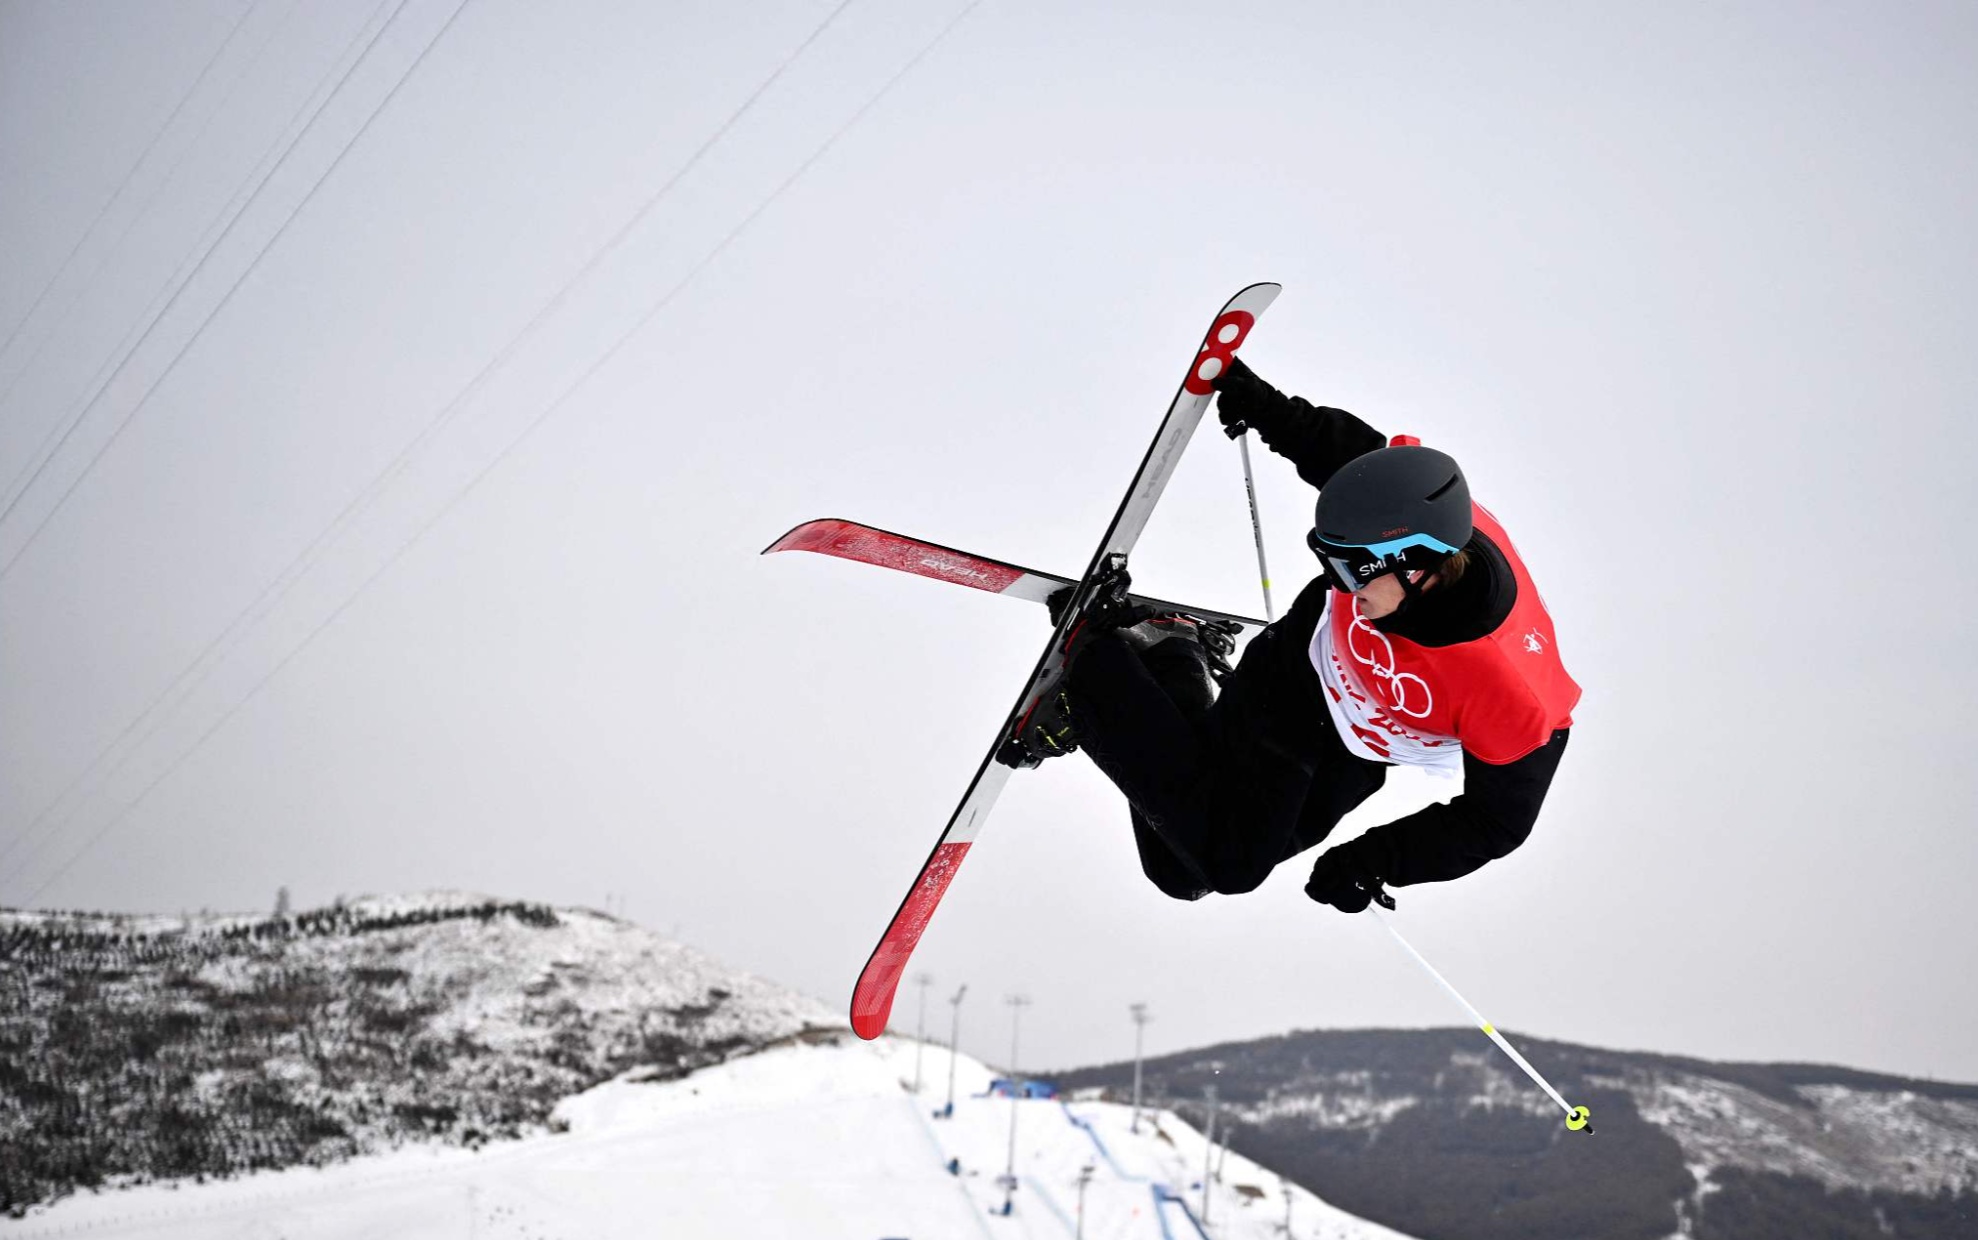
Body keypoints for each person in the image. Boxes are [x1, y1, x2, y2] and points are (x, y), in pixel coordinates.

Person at [1031, 356, 1579, 913]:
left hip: (1358, 748)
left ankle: (1170, 656)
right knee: (1229, 863)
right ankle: (1096, 661)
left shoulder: (1509, 693)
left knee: (1181, 870)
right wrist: (1267, 407)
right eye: (1330, 566)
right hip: (1294, 679)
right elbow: (1359, 462)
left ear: (1419, 570)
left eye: (1350, 571)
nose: (1342, 589)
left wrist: (1374, 859)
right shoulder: (1421, 510)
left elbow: (1498, 821)